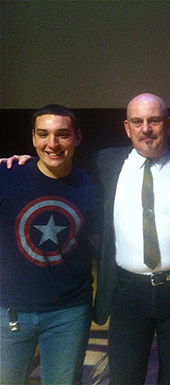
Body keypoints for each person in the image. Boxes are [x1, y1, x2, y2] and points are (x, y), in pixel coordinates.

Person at [91, 93, 170, 384]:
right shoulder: (106, 162)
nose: (146, 129)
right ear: (127, 128)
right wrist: (27, 163)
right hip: (128, 292)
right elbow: (59, 172)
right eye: (137, 122)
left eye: (154, 120)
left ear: (168, 124)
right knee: (125, 377)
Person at [0, 105, 100, 384]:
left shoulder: (91, 185)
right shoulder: (7, 175)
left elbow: (96, 241)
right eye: (43, 134)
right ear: (33, 138)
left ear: (77, 138)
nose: (52, 144)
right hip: (9, 310)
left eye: (62, 135)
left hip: (69, 313)